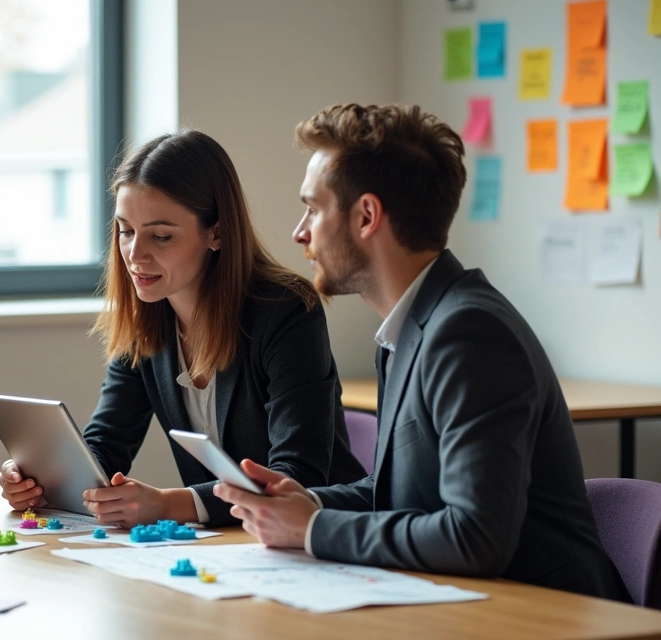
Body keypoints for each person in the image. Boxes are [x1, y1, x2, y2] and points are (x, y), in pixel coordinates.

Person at [213, 103, 629, 601]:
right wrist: (304, 503)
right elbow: (395, 495)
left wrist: (311, 530)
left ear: (367, 215)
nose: (300, 231)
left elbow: (474, 538)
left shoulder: (470, 333)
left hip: (547, 617)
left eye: (314, 208)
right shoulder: (412, 327)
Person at [0, 131, 366, 527]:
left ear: (217, 233)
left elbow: (296, 478)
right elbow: (106, 443)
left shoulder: (288, 312)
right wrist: (44, 480)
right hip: (231, 546)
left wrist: (167, 504)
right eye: (125, 231)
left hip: (321, 540)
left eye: (160, 236)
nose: (135, 255)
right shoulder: (146, 319)